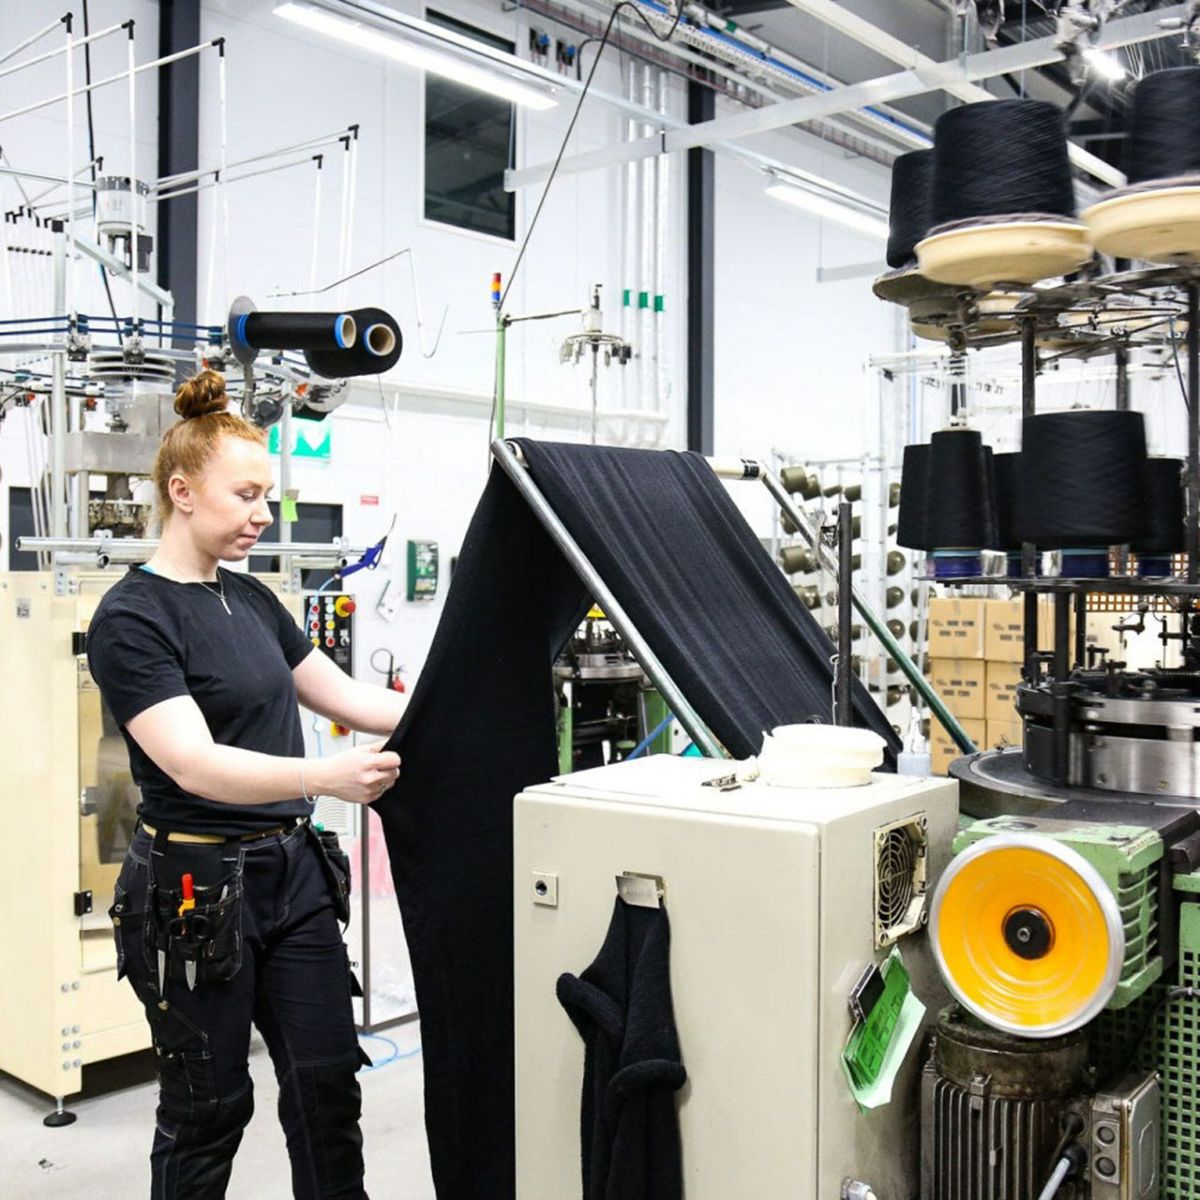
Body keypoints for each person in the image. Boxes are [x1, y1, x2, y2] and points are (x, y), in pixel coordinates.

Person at [86, 369, 406, 1199]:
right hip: (194, 889)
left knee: (327, 1085)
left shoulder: (254, 598)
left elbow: (344, 696)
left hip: (292, 876)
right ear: (182, 492)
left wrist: (450, 707)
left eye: (267, 495)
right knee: (210, 1107)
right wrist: (326, 775)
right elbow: (192, 762)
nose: (264, 513)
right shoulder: (132, 617)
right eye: (247, 495)